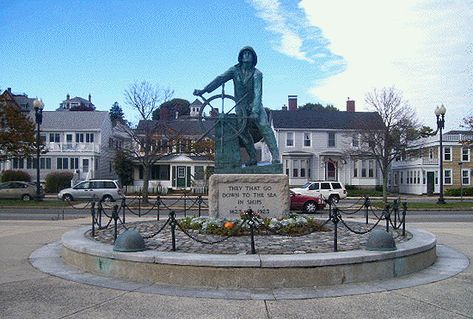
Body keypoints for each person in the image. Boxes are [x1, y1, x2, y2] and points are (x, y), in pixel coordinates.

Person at [194, 46, 280, 166]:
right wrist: (203, 91)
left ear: (254, 57)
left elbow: (258, 92)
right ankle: (253, 158)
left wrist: (255, 110)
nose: (246, 55)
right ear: (240, 57)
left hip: (255, 105)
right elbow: (219, 79)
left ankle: (276, 156)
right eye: (244, 53)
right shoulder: (234, 70)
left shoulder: (257, 74)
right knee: (242, 132)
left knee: (265, 127)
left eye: (249, 53)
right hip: (241, 107)